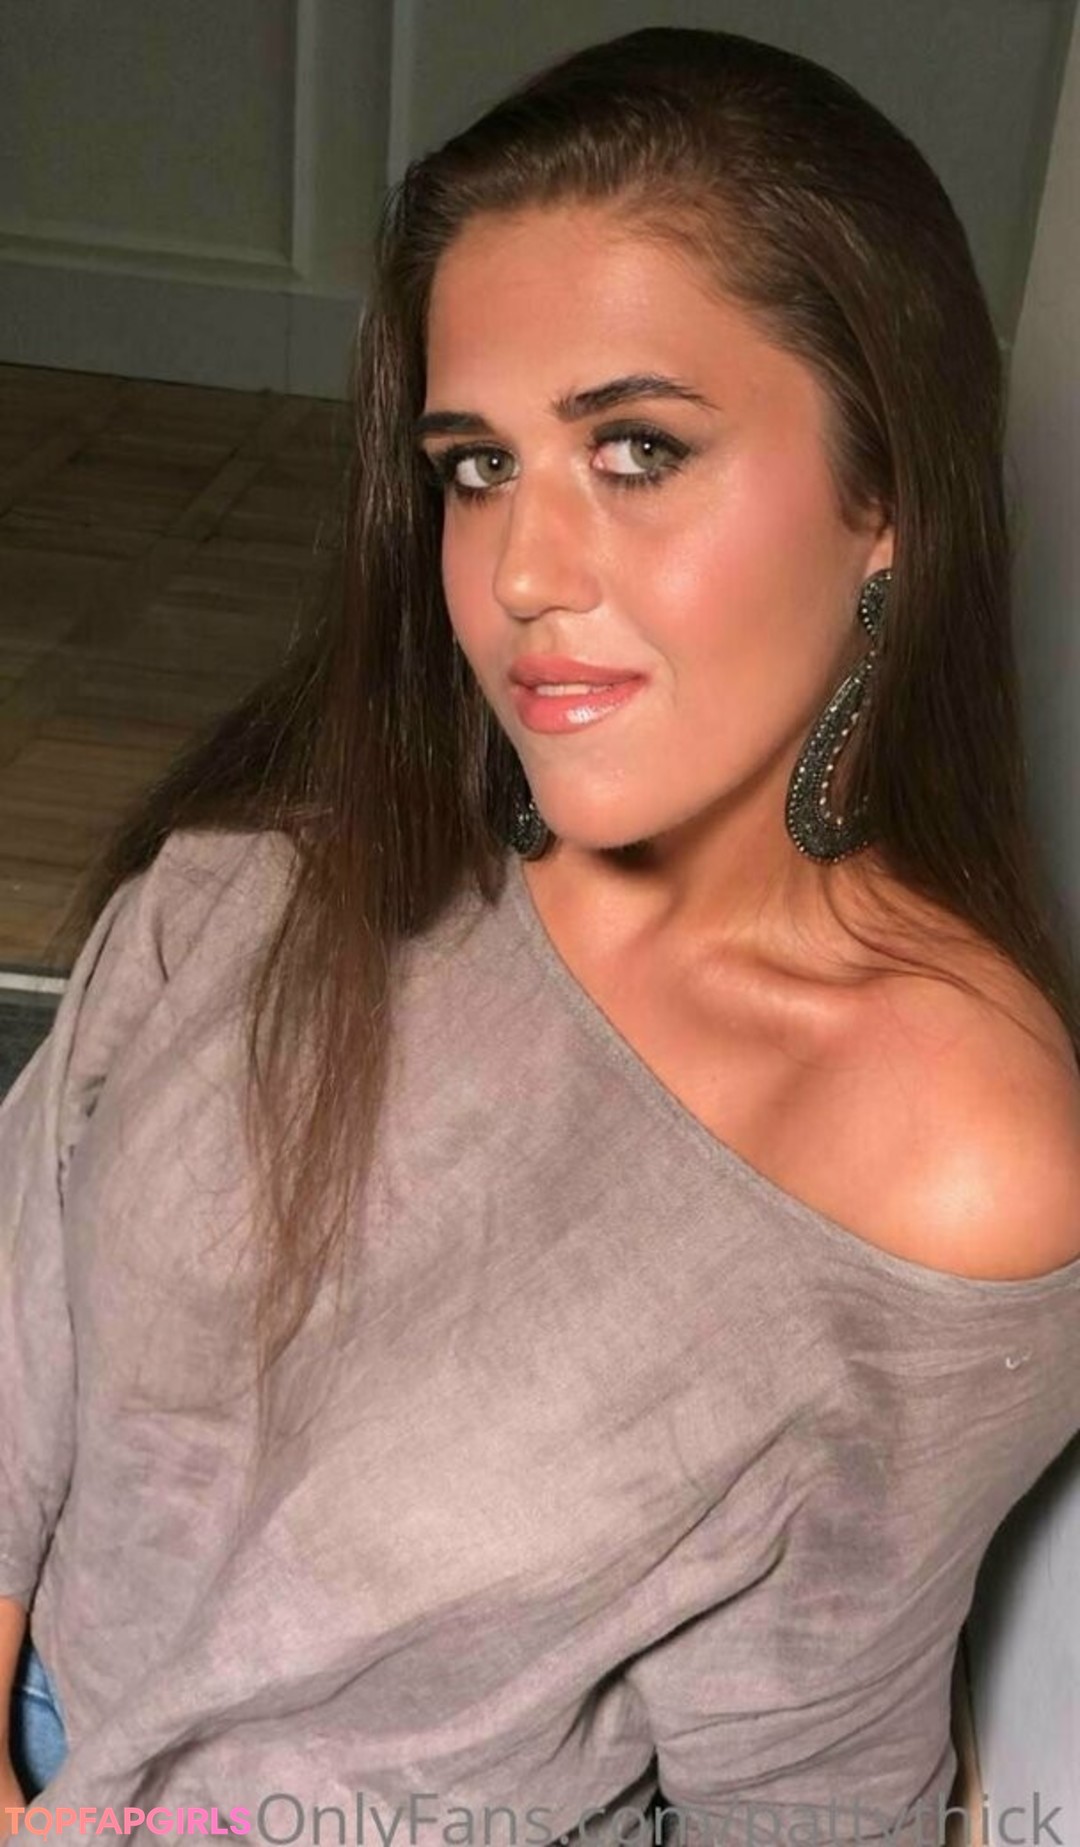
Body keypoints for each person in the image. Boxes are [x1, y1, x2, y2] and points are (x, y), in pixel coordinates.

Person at [3, 23, 1080, 1845]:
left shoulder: (943, 1152)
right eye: (477, 467)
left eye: (638, 450)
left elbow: (805, 1784)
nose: (519, 575)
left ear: (884, 501)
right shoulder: (289, 860)